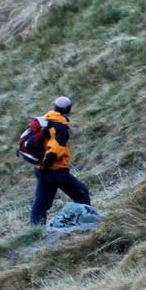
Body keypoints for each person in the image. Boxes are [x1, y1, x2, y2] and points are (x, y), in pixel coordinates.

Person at [29, 96, 91, 225]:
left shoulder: (46, 120)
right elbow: (56, 149)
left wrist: (43, 165)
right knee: (81, 192)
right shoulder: (61, 127)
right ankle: (85, 223)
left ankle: (35, 230)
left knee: (41, 203)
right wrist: (48, 162)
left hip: (39, 169)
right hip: (54, 170)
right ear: (68, 110)